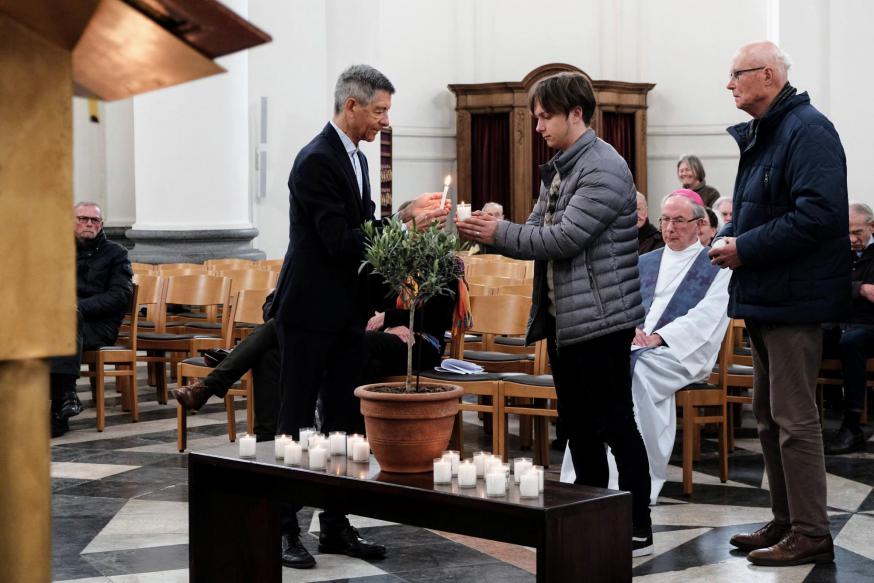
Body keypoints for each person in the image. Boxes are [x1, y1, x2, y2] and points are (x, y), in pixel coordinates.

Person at [456, 71, 654, 557]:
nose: (538, 126)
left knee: (614, 424)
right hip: (570, 318)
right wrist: (494, 223)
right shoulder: (564, 165)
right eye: (536, 117)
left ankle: (637, 521)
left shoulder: (605, 167)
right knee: (579, 427)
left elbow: (563, 239)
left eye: (545, 117)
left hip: (602, 319)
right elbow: (535, 230)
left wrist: (497, 232)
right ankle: (591, 512)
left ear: (576, 114)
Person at [269, 64, 448, 570]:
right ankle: (283, 529)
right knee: (297, 424)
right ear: (351, 106)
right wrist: (402, 222)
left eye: (386, 110)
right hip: (307, 314)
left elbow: (364, 234)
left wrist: (401, 232)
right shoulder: (315, 161)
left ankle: (335, 526)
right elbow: (337, 241)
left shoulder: (358, 160)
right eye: (379, 110)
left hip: (345, 314)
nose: (384, 121)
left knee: (345, 425)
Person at [710, 41, 849, 567]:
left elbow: (818, 215)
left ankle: (811, 531)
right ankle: (786, 519)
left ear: (767, 75)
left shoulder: (807, 129)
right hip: (769, 294)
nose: (729, 85)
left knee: (794, 418)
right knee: (767, 417)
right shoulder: (770, 132)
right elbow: (760, 207)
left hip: (795, 297)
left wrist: (744, 248)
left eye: (736, 75)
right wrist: (729, 232)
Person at [563, 192, 730, 502]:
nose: (669, 228)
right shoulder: (645, 261)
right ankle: (583, 477)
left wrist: (660, 337)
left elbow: (708, 316)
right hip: (634, 345)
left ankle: (630, 480)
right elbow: (619, 303)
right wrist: (628, 329)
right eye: (665, 220)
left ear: (700, 223)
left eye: (679, 220)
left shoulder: (716, 266)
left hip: (680, 351)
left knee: (637, 374)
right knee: (597, 371)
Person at [50, 202, 133, 437]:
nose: (88, 223)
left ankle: (61, 404)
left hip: (99, 325)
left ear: (101, 224)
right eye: (82, 218)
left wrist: (77, 307)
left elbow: (121, 296)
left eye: (94, 220)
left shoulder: (117, 253)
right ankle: (65, 400)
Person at [172, 293, 280, 441]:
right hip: (283, 342)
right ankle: (266, 438)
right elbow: (270, 302)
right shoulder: (292, 272)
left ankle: (206, 388)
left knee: (274, 328)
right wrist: (278, 314)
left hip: (312, 341)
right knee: (266, 355)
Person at [821, 202, 874, 454]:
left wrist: (851, 288)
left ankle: (852, 424)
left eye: (857, 232)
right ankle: (803, 419)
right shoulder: (838, 251)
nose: (852, 239)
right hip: (840, 321)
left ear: (871, 227)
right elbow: (827, 286)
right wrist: (861, 289)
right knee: (807, 337)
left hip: (869, 325)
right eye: (847, 233)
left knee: (851, 342)